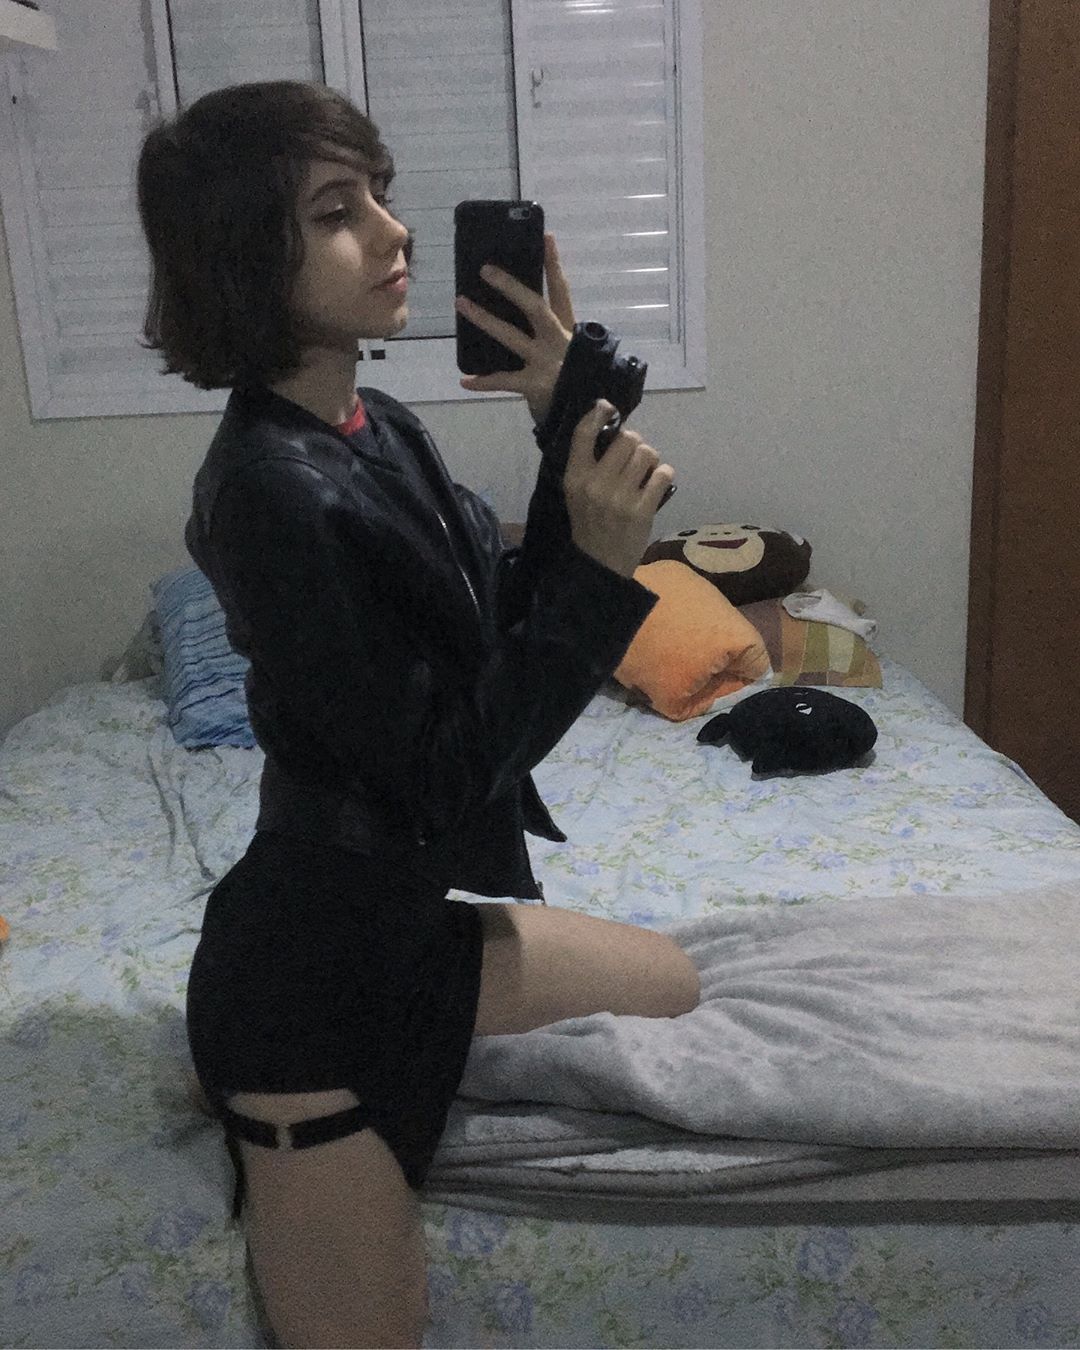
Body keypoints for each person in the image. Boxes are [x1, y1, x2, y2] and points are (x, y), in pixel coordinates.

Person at [137, 79, 699, 1349]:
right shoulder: (268, 495)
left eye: (379, 197)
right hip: (306, 1012)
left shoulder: (370, 424)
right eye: (339, 212)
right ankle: (248, 1109)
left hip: (407, 938)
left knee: (675, 983)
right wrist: (600, 579)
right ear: (246, 253)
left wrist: (564, 417)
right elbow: (445, 771)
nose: (394, 233)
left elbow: (497, 631)